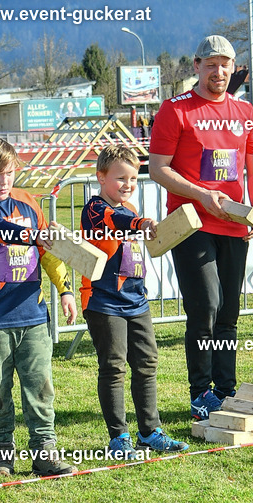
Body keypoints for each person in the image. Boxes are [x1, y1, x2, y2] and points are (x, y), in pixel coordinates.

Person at [148, 35, 253, 421]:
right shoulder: (175, 109)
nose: (218, 72)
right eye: (211, 64)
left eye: (225, 64)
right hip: (192, 223)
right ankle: (200, 393)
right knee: (205, 308)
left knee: (229, 312)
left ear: (234, 67)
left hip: (233, 223)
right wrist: (199, 194)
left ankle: (225, 390)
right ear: (196, 65)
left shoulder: (245, 111)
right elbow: (157, 169)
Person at [0, 136, 77, 477]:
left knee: (40, 386)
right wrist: (33, 235)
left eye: (10, 173)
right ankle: (2, 453)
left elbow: (47, 250)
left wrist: (65, 290)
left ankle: (45, 452)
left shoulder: (27, 202)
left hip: (33, 314)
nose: (4, 181)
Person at [80, 143, 189, 460]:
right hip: (104, 303)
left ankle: (149, 431)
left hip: (136, 302)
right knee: (113, 368)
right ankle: (119, 437)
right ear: (101, 177)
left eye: (134, 179)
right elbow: (114, 221)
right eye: (120, 178)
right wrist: (141, 224)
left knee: (146, 364)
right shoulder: (96, 209)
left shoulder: (129, 210)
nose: (127, 185)